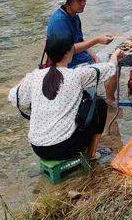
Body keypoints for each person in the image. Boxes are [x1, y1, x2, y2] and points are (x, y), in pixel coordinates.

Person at [9, 34, 120, 163]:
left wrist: (26, 77)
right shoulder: (77, 75)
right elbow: (110, 68)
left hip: (38, 147)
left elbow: (13, 96)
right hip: (64, 147)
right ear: (68, 53)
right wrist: (115, 55)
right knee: (99, 103)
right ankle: (91, 155)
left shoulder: (35, 76)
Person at [46, 0, 117, 104]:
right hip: (69, 66)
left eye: (84, 0)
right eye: (79, 1)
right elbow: (68, 50)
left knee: (113, 62)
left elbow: (80, 40)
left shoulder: (74, 15)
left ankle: (109, 101)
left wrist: (94, 56)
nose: (83, 3)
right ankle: (102, 103)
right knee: (112, 68)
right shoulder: (60, 21)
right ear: (68, 3)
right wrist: (96, 40)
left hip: (82, 58)